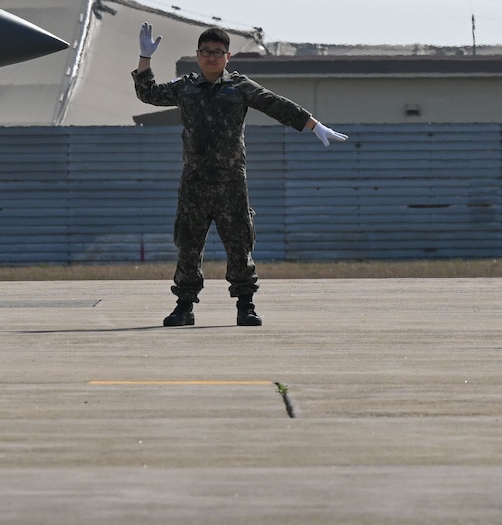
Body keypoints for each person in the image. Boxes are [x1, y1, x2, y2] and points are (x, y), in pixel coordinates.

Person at [134, 23, 347, 327]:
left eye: (217, 53)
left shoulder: (240, 87)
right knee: (188, 244)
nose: (211, 57)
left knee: (239, 244)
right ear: (197, 55)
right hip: (195, 182)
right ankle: (184, 306)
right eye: (206, 52)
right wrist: (145, 58)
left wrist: (312, 125)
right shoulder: (185, 87)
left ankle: (245, 305)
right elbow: (149, 94)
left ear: (228, 56)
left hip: (231, 183)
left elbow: (276, 105)